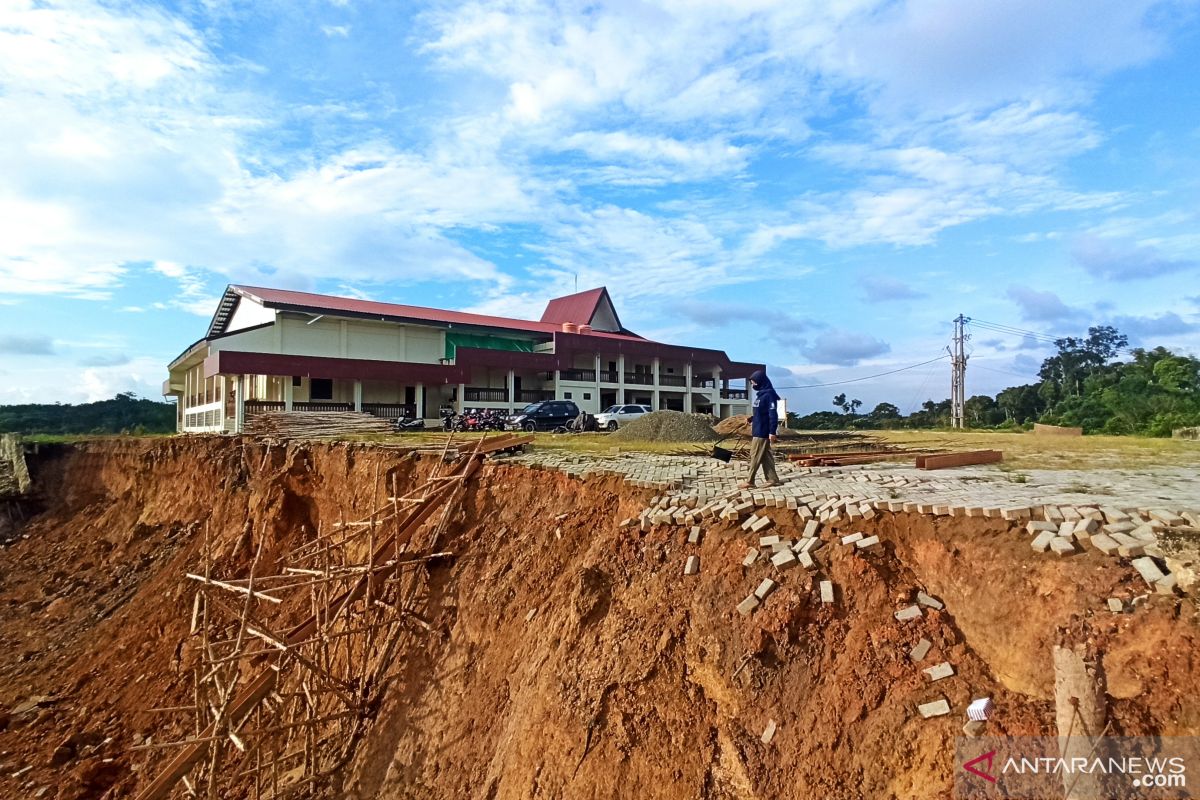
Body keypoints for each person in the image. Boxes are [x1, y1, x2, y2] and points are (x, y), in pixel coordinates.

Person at [740, 368, 781, 488]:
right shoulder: (761, 395)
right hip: (757, 428)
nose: (753, 384)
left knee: (755, 455)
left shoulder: (769, 395)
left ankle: (750, 481)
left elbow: (773, 414)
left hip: (762, 431)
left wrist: (772, 432)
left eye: (754, 382)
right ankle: (773, 479)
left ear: (761, 381)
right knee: (765, 456)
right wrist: (752, 418)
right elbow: (761, 412)